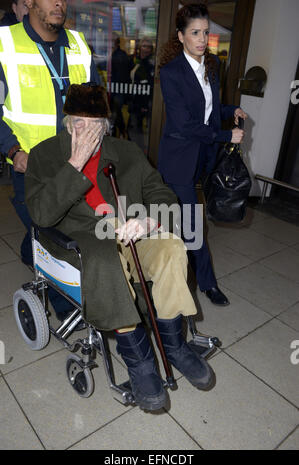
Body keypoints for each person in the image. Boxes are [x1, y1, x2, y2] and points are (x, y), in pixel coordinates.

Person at [25, 82, 215, 411]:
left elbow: (161, 194)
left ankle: (174, 345)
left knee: (171, 246)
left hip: (130, 232)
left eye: (93, 124)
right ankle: (140, 363)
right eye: (76, 123)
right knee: (108, 262)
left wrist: (149, 221)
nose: (83, 131)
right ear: (66, 123)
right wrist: (75, 163)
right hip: (81, 242)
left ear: (106, 127)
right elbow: (41, 213)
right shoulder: (43, 155)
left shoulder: (125, 152)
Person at [0, 0, 100, 316]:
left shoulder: (80, 45)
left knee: (69, 235)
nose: (60, 3)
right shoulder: (5, 44)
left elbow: (96, 104)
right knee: (51, 240)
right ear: (28, 2)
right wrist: (13, 150)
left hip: (76, 165)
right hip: (31, 169)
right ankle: (67, 308)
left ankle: (48, 266)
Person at [158, 3, 247, 306]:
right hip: (179, 159)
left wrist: (229, 110)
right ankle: (207, 284)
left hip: (203, 156)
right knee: (193, 224)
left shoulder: (212, 66)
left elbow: (208, 110)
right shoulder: (171, 73)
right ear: (181, 36)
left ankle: (179, 273)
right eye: (194, 33)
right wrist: (225, 135)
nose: (201, 39)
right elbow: (184, 123)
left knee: (184, 221)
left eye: (205, 32)